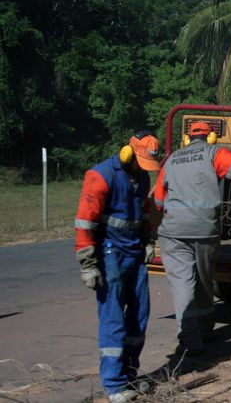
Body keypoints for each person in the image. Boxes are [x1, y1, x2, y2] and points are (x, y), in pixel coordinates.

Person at [153, 121, 231, 355]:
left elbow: (159, 200)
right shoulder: (215, 153)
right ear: (210, 136)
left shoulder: (172, 159)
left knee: (183, 284)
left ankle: (190, 339)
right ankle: (203, 330)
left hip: (174, 232)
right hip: (204, 231)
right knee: (204, 280)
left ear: (187, 138)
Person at [74, 131, 161, 403]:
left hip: (135, 252)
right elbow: (84, 223)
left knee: (139, 315)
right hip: (109, 253)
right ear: (127, 154)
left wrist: (148, 239)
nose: (142, 168)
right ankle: (113, 384)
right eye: (140, 162)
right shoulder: (101, 176)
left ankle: (130, 374)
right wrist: (88, 264)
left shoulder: (142, 176)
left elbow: (145, 211)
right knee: (114, 319)